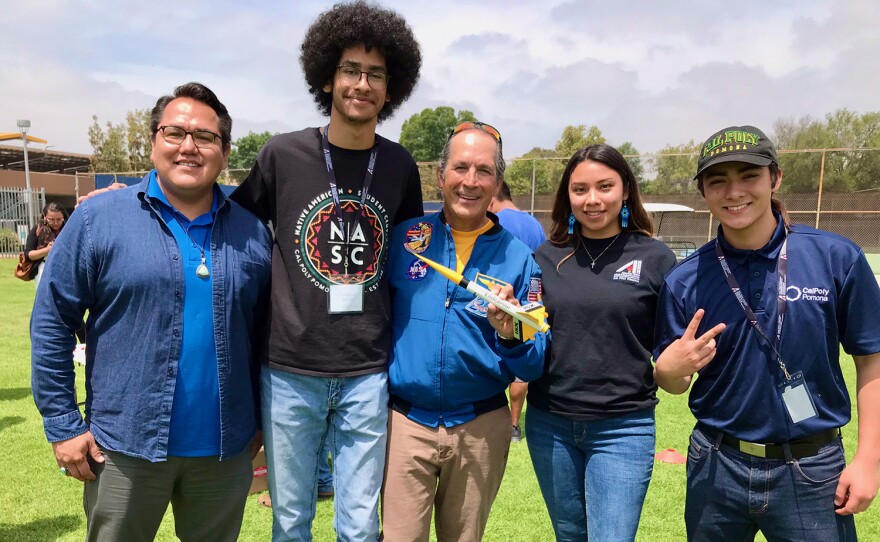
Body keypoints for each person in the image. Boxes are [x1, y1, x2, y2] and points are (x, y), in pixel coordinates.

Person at [30, 82, 272, 542]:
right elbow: (52, 320)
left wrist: (260, 421)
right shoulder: (100, 219)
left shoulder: (253, 233)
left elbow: (265, 334)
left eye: (205, 136)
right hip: (124, 445)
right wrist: (63, 426)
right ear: (154, 140)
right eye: (174, 132)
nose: (188, 146)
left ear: (223, 150)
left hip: (225, 448)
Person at [229, 3, 423, 540]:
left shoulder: (402, 166)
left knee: (360, 526)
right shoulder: (282, 156)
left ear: (392, 87)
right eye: (350, 70)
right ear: (327, 77)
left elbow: (410, 259)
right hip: (290, 368)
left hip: (367, 369)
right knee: (291, 521)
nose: (362, 83)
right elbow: (231, 233)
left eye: (376, 73)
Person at [654, 125, 880, 541]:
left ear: (774, 179)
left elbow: (872, 360)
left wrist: (869, 460)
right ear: (703, 192)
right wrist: (666, 371)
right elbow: (674, 382)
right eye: (718, 181)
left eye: (749, 176)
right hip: (715, 463)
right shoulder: (684, 279)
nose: (734, 191)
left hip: (812, 466)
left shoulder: (835, 257)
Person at [381, 121, 546, 542]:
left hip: (479, 426)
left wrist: (510, 335)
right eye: (460, 168)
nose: (470, 181)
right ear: (440, 175)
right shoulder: (405, 240)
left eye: (484, 171)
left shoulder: (519, 258)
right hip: (405, 423)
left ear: (497, 182)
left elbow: (536, 358)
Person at [525, 144, 676, 541]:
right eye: (580, 189)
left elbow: (671, 344)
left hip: (622, 427)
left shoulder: (656, 257)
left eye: (604, 186)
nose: (592, 200)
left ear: (625, 189)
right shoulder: (545, 256)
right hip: (550, 424)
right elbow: (532, 334)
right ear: (567, 196)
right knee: (569, 536)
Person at [489, 180, 546, 442]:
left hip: (503, 298)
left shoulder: (497, 220)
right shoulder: (534, 223)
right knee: (523, 357)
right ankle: (514, 424)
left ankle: (502, 419)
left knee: (503, 350)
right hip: (533, 295)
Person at [24, 202, 67, 287]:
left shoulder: (69, 229)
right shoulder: (38, 229)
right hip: (44, 268)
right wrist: (46, 250)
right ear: (44, 217)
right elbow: (28, 255)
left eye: (59, 219)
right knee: (45, 298)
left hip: (66, 268)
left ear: (64, 217)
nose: (55, 223)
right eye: (51, 219)